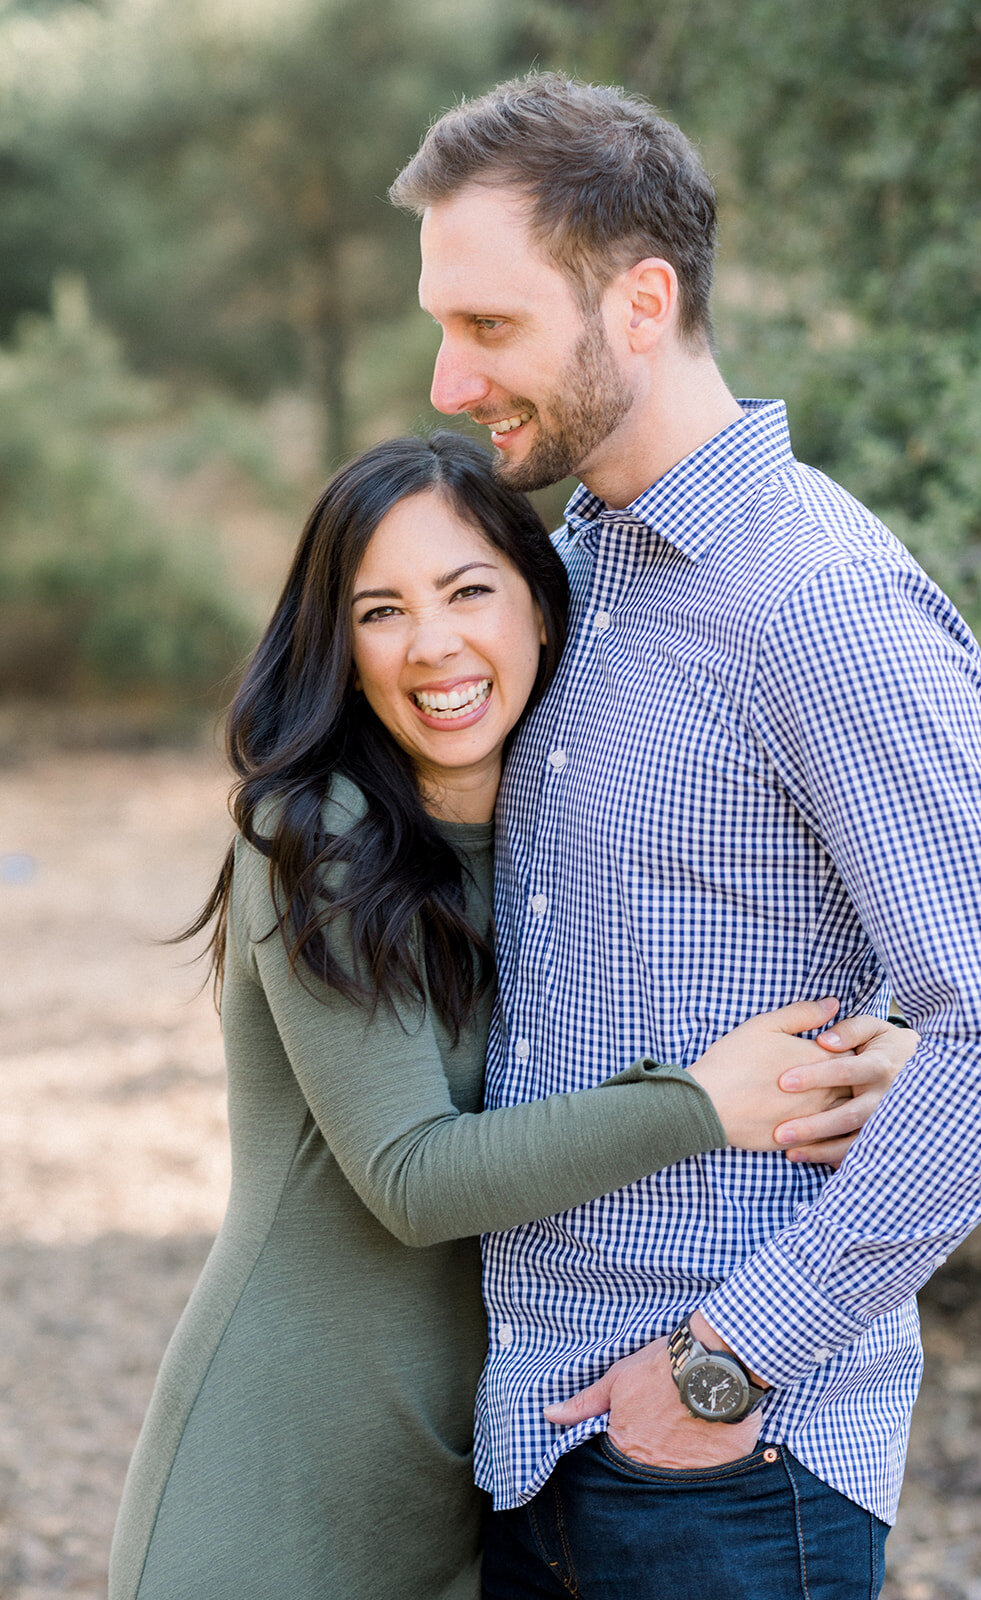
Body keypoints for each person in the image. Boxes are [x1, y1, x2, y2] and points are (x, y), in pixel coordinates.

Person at [389, 72, 981, 1598]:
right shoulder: (560, 577)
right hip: (530, 1438)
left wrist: (721, 1368)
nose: (447, 380)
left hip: (721, 1469)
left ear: (639, 303)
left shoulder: (819, 605)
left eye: (487, 327)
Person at [107, 433, 911, 1600]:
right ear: (339, 646)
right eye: (381, 610)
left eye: (469, 590)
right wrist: (698, 1106)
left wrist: (886, 1043)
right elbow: (414, 1177)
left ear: (543, 603)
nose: (434, 644)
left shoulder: (558, 822)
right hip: (283, 1477)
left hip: (480, 1483)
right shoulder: (314, 831)